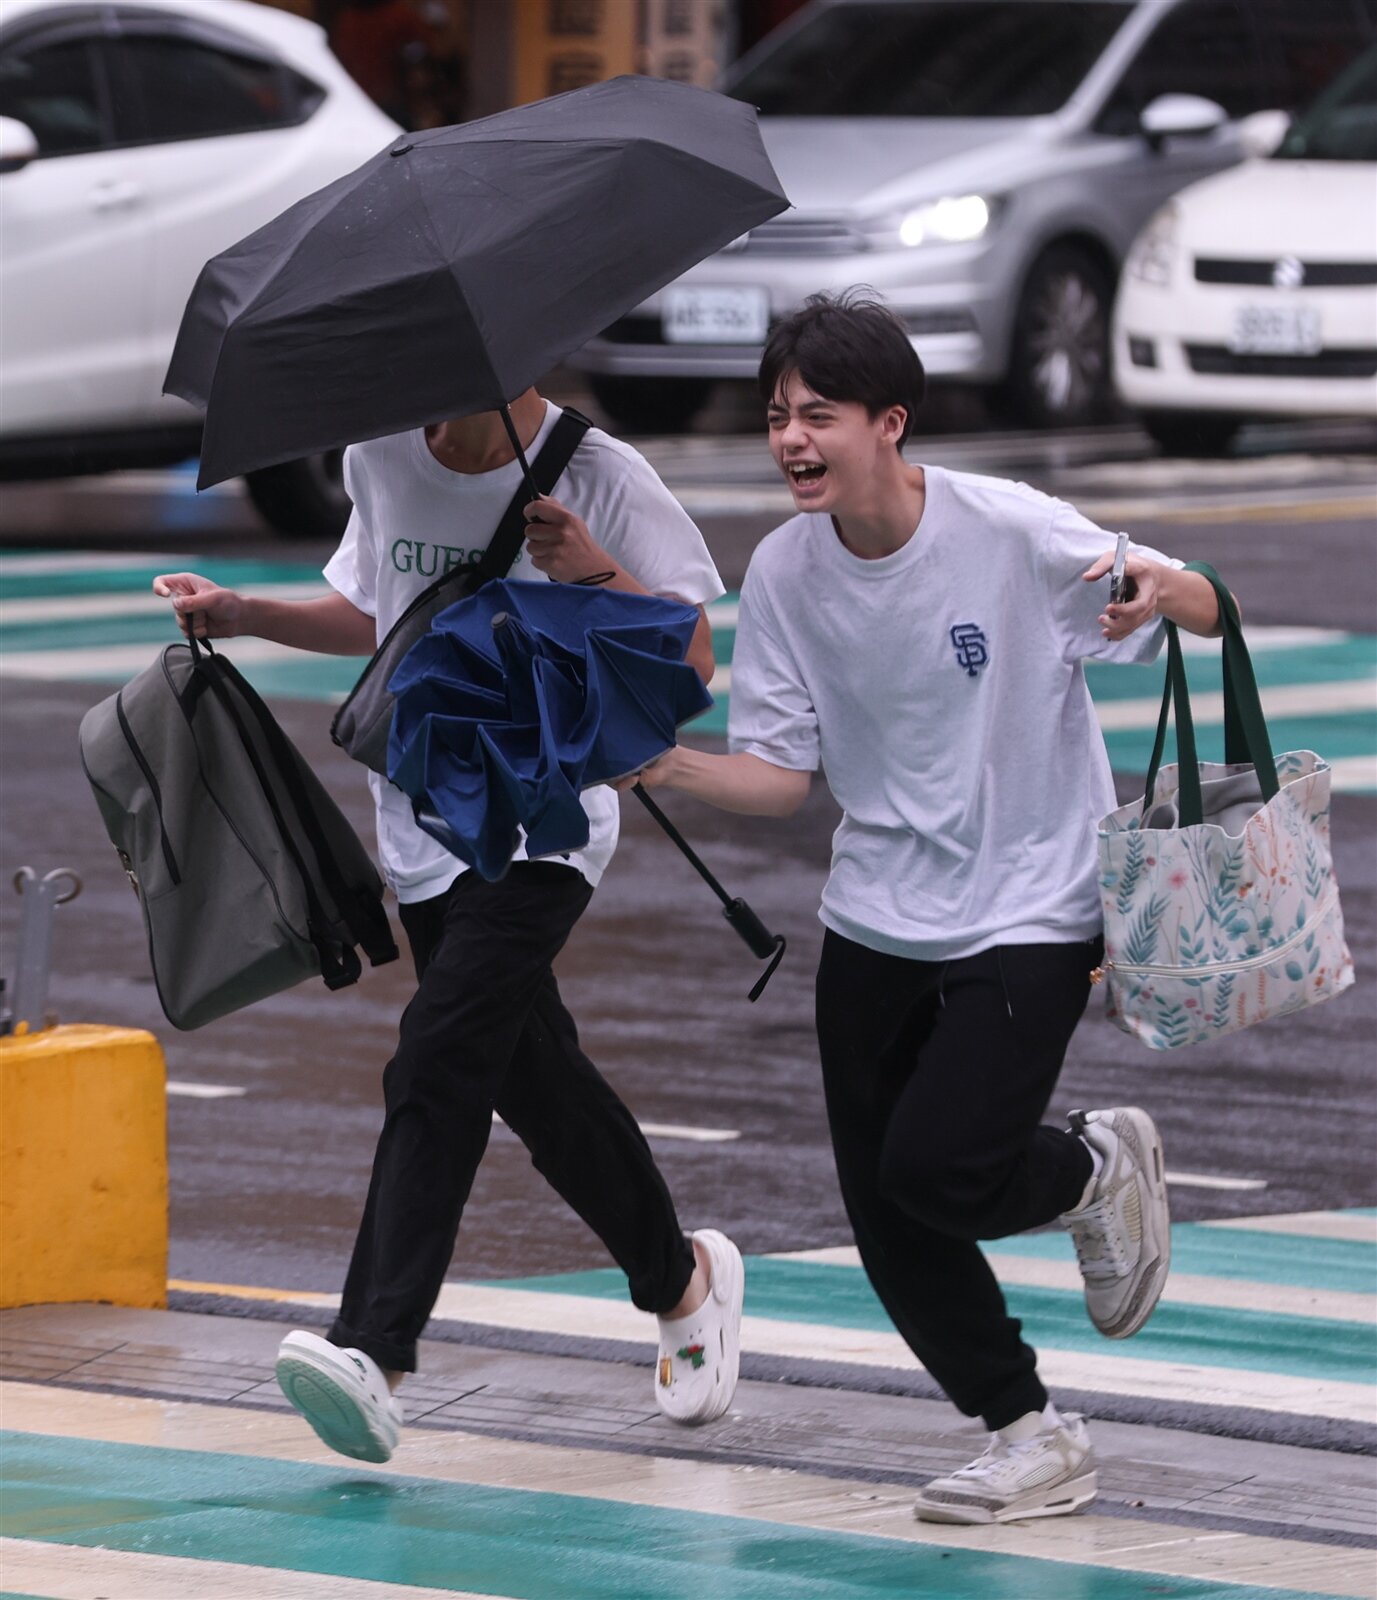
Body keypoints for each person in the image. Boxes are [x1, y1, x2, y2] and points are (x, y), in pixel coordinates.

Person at [622, 292, 1226, 1525]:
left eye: (819, 416)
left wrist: (1160, 588)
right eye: (777, 415)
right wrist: (655, 763)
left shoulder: (1009, 533)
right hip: (876, 917)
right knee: (888, 1210)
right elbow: (784, 778)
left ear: (890, 424)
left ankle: (1084, 1167)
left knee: (940, 1168)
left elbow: (1209, 604)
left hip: (1033, 906)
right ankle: (1027, 1430)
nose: (792, 439)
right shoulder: (786, 569)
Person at [153, 386, 744, 1463]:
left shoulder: (598, 473)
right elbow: (383, 612)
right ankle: (680, 1275)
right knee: (536, 1081)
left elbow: (693, 658)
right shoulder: (378, 452)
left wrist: (595, 568)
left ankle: (373, 1346)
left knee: (436, 1055)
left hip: (546, 828)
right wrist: (246, 613)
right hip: (423, 831)